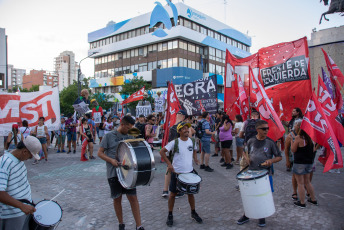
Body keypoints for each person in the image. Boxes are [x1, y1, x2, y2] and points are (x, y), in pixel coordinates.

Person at [98, 116, 145, 230]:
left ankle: (139, 226)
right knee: (117, 198)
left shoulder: (130, 136)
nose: (129, 130)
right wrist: (111, 160)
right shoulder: (108, 136)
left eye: (131, 128)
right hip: (113, 173)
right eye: (128, 127)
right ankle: (121, 224)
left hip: (128, 173)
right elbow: (100, 153)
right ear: (122, 124)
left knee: (133, 198)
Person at [237, 120, 282, 227]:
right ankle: (247, 215)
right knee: (249, 195)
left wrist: (271, 161)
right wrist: (247, 158)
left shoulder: (270, 142)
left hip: (265, 174)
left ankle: (262, 217)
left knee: (262, 195)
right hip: (251, 172)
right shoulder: (251, 140)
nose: (266, 131)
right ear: (257, 130)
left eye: (267, 128)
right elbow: (244, 150)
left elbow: (279, 157)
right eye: (263, 129)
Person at [159, 122, 202, 227]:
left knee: (190, 194)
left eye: (187, 128)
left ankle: (193, 212)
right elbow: (162, 152)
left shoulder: (192, 141)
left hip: (189, 173)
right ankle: (170, 214)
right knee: (172, 195)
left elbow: (195, 150)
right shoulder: (175, 142)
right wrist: (169, 164)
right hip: (177, 173)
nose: (187, 130)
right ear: (179, 131)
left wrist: (195, 159)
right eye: (184, 129)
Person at [0, 136, 41, 230]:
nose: (30, 158)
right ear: (24, 151)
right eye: (31, 155)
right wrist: (22, 206)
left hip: (24, 210)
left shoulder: (19, 161)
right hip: (12, 214)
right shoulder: (4, 164)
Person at [291, 120, 318, 208]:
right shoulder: (311, 137)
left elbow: (293, 150)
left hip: (299, 163)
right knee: (308, 182)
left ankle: (302, 202)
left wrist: (292, 141)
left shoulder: (299, 137)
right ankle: (313, 199)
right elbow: (314, 149)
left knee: (300, 183)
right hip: (309, 162)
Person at [162, 110, 187, 197]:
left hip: (170, 150)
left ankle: (165, 190)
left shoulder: (171, 126)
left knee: (169, 169)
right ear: (183, 117)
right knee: (179, 170)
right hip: (179, 151)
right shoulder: (183, 126)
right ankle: (178, 189)